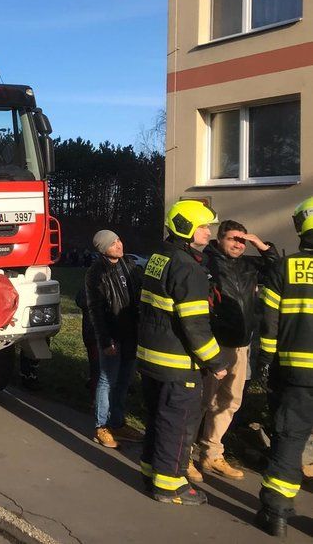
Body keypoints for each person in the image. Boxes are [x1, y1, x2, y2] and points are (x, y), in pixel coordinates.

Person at [138, 200, 229, 505]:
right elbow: (195, 326)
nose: (208, 232)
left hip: (152, 357)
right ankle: (171, 485)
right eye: (203, 226)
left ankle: (151, 471)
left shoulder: (159, 256)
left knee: (157, 418)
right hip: (178, 363)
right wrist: (215, 361)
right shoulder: (188, 268)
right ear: (187, 227)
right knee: (177, 425)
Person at [195, 220, 278, 481]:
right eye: (233, 239)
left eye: (242, 240)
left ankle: (212, 453)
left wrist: (262, 246)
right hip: (214, 345)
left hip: (241, 345)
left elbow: (277, 270)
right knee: (201, 402)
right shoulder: (206, 262)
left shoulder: (248, 265)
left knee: (230, 402)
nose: (238, 244)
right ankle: (183, 453)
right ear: (220, 239)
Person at [254, 197, 313, 538]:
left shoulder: (283, 270)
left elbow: (269, 325)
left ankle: (275, 513)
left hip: (295, 375)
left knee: (289, 440)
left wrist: (266, 363)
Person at [85, 229, 142, 448]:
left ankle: (118, 423)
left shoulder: (129, 265)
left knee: (124, 381)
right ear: (102, 248)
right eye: (113, 243)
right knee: (107, 380)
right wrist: (105, 340)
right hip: (112, 336)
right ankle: (102, 426)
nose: (119, 244)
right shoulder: (96, 273)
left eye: (119, 239)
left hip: (131, 334)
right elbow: (96, 310)